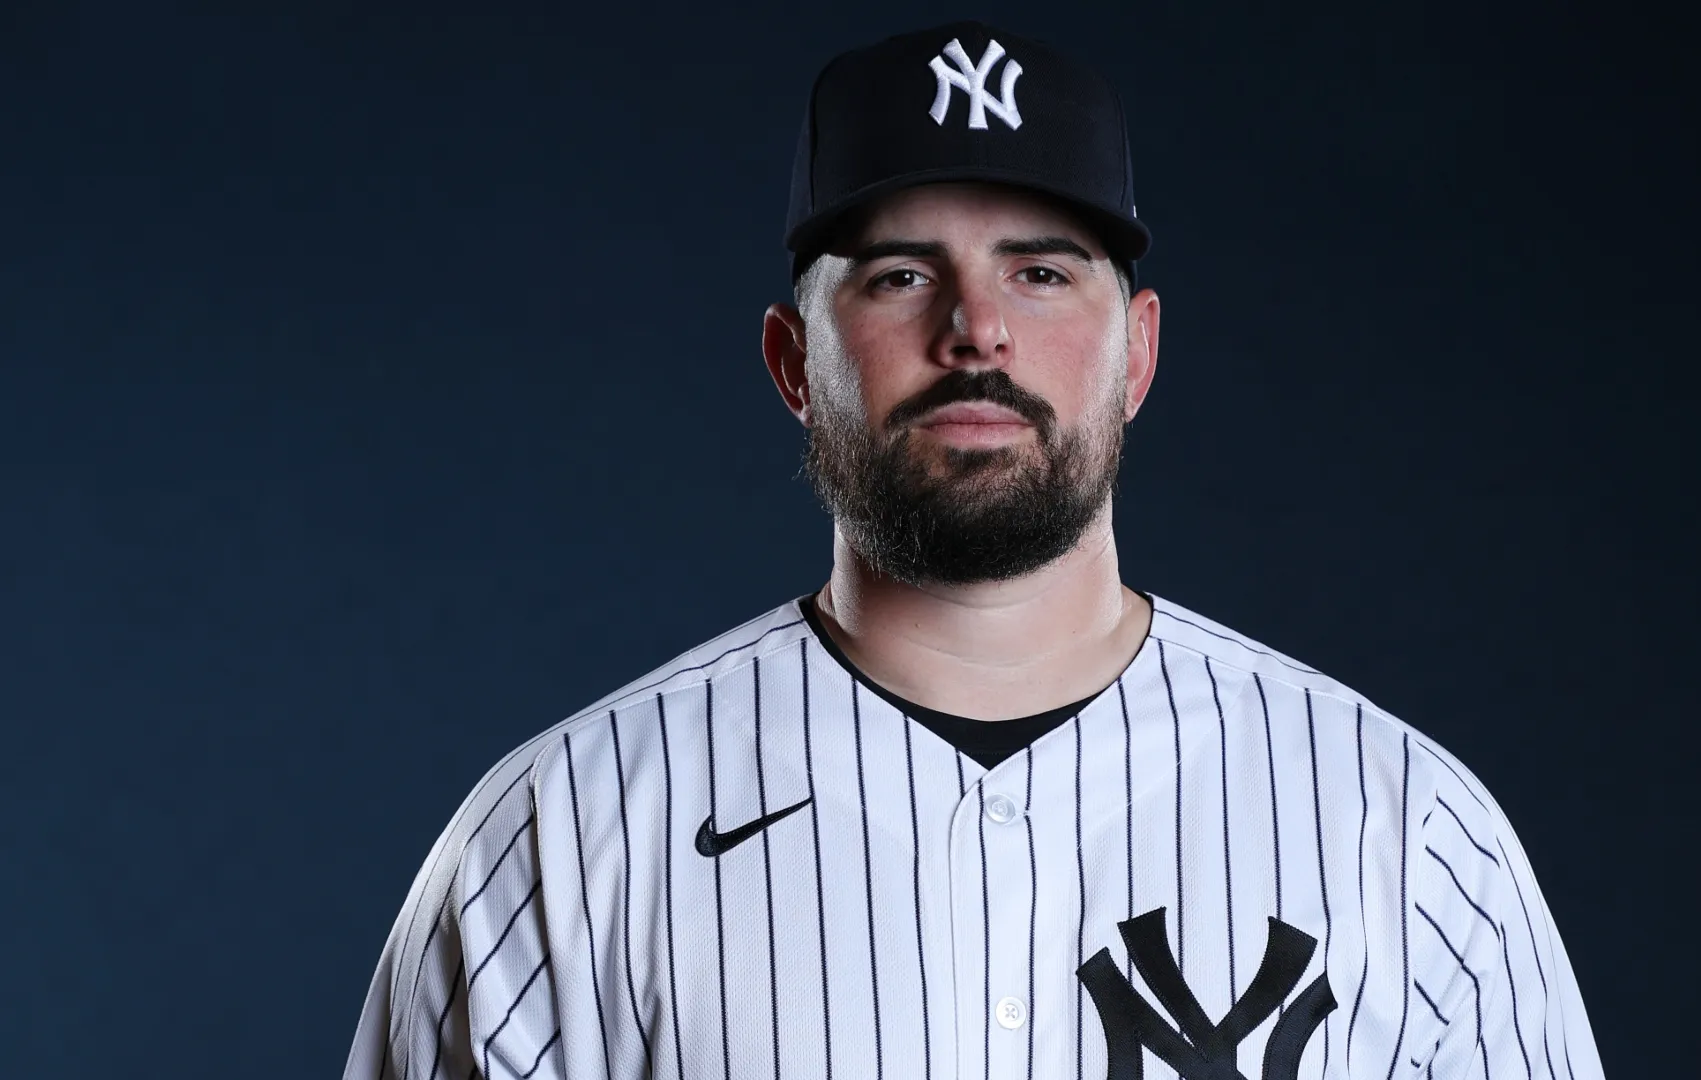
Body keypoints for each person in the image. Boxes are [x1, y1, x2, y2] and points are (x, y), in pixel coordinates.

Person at [344, 20, 1605, 1080]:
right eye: (900, 274)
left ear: (1140, 355)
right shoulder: (564, 834)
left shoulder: (1407, 834)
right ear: (794, 361)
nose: (978, 330)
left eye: (1043, 272)